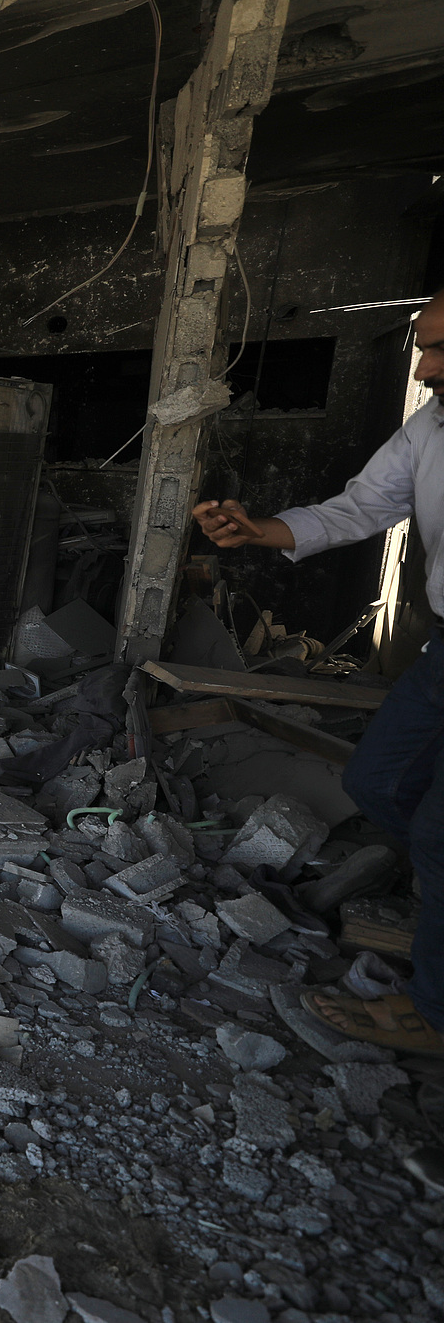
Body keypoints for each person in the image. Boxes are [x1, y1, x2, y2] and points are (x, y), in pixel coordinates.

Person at [190, 288, 444, 1058]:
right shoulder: (432, 425)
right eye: (423, 347)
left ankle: (433, 1014)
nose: (426, 367)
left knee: (438, 826)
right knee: (382, 782)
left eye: (441, 350)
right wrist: (259, 531)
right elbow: (362, 505)